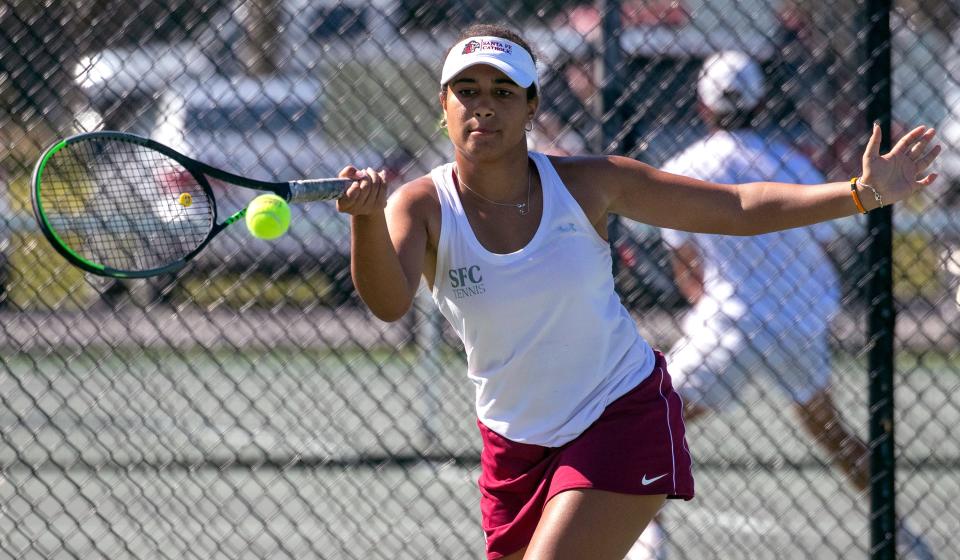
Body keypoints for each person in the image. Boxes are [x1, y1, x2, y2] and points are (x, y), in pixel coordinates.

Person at [334, 23, 941, 560]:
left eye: (502, 92)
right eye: (467, 91)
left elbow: (737, 206)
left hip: (618, 415)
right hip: (512, 443)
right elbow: (388, 302)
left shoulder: (590, 182)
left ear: (530, 106)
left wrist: (860, 193)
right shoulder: (420, 204)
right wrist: (365, 219)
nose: (483, 108)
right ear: (443, 104)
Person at [626, 51, 935, 560]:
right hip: (799, 320)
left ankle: (647, 539)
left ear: (703, 106)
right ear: (761, 101)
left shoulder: (684, 168)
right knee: (830, 430)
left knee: (648, 419)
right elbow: (826, 241)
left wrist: (718, 303)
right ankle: (903, 537)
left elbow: (689, 273)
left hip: (732, 325)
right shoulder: (791, 162)